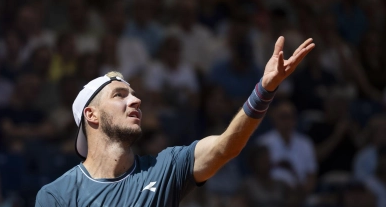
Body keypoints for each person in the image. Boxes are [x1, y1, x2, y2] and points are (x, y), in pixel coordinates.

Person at [35, 36, 315, 206]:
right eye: (119, 95)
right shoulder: (56, 196)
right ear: (91, 115)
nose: (135, 100)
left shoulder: (166, 167)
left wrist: (264, 90)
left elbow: (225, 147)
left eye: (134, 94)